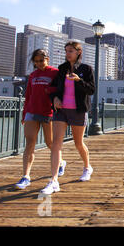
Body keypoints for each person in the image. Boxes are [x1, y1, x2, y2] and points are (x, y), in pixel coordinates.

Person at [40, 41, 95, 195]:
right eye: (66, 51)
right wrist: (55, 98)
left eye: (70, 50)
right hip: (61, 111)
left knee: (78, 143)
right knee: (56, 143)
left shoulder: (86, 69)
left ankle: (87, 167)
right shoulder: (62, 69)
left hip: (78, 110)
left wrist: (78, 80)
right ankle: (54, 180)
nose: (67, 53)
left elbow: (91, 90)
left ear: (78, 52)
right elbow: (54, 88)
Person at [15, 49, 66, 189]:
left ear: (47, 59)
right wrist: (24, 114)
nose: (39, 64)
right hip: (32, 112)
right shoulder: (32, 75)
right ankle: (25, 177)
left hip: (49, 113)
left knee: (50, 143)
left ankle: (61, 162)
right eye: (36, 61)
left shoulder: (55, 73)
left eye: (41, 61)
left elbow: (61, 91)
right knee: (30, 143)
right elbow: (28, 95)